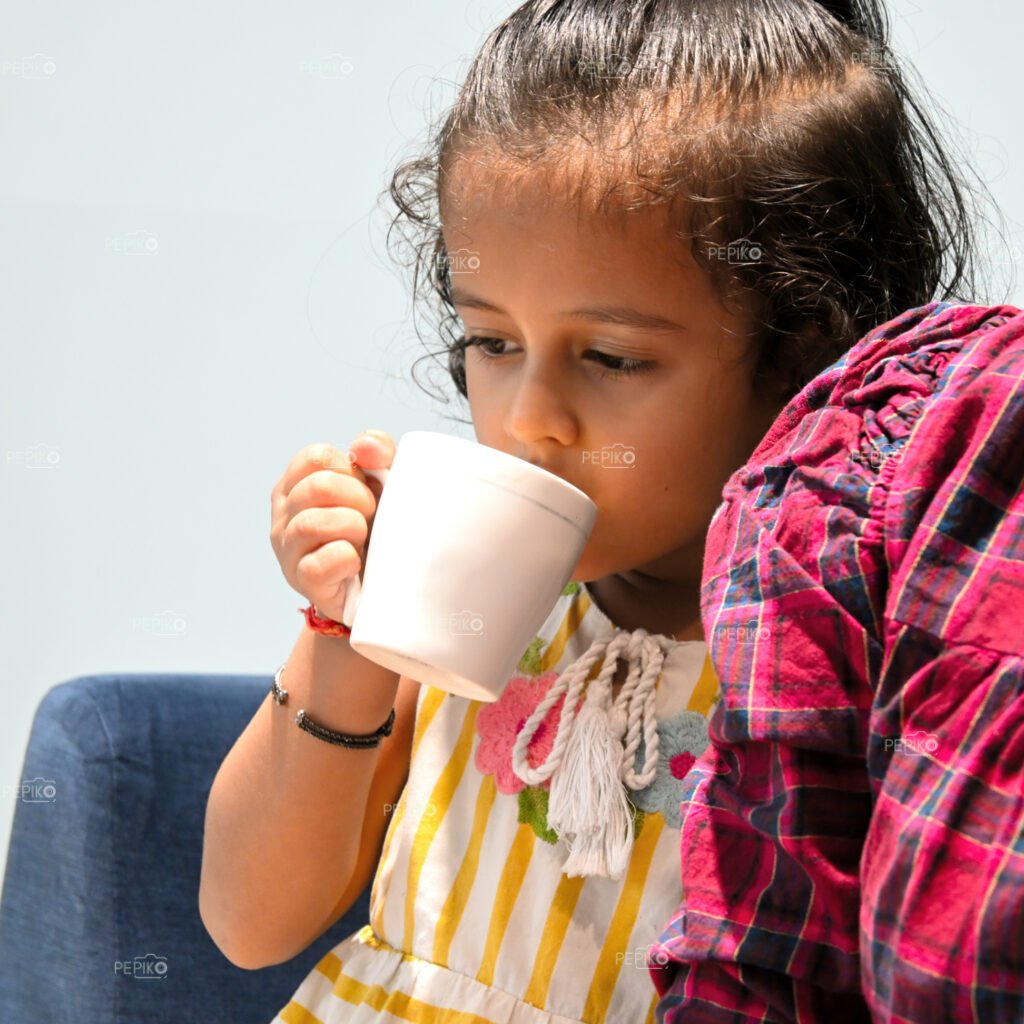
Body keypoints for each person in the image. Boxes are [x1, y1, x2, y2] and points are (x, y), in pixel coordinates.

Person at [198, 0, 1022, 1020]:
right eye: (491, 343)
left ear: (809, 354)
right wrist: (345, 635)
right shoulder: (465, 593)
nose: (531, 416)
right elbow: (249, 918)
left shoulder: (823, 653)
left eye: (610, 357)